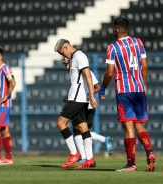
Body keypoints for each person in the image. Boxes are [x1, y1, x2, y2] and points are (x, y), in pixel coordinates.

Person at [99, 17, 155, 172]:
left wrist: (103, 88)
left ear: (116, 29)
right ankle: (149, 152)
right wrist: (144, 85)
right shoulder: (138, 42)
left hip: (124, 91)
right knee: (139, 123)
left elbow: (110, 73)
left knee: (128, 125)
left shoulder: (113, 47)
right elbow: (144, 66)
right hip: (139, 89)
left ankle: (131, 164)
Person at [54, 39, 98, 169]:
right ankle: (90, 160)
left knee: (61, 123)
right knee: (83, 128)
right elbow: (76, 78)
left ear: (67, 47)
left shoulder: (79, 56)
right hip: (79, 98)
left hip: (76, 98)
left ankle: (74, 154)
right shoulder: (74, 58)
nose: (63, 56)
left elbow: (88, 76)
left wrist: (91, 96)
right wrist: (67, 66)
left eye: (62, 53)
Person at [69, 68, 113, 162]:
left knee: (79, 129)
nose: (65, 60)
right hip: (82, 104)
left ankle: (85, 156)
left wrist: (86, 94)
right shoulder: (74, 72)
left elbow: (97, 87)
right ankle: (104, 140)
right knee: (80, 130)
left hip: (87, 105)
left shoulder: (86, 71)